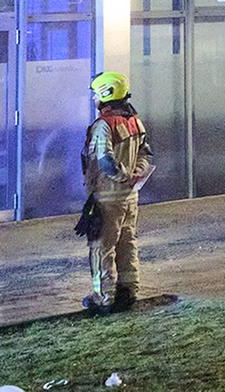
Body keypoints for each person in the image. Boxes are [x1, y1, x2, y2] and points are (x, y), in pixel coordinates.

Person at [81, 71, 153, 315]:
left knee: (103, 246)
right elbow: (146, 153)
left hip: (108, 197)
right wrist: (136, 175)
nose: (94, 99)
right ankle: (128, 290)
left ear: (105, 94)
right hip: (130, 197)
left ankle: (104, 297)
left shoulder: (104, 125)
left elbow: (106, 163)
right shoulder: (134, 120)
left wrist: (123, 176)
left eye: (95, 94)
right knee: (127, 243)